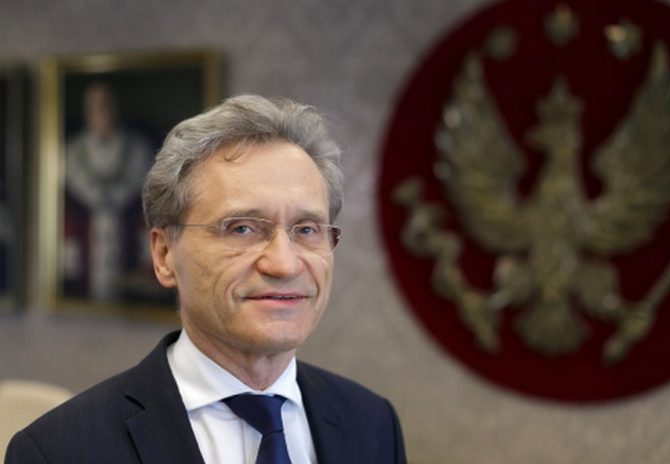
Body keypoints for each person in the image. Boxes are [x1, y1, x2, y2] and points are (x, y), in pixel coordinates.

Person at [5, 95, 407, 463]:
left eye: (306, 229)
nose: (284, 265)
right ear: (164, 255)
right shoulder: (58, 451)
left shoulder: (372, 423)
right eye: (242, 228)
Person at [62, 82, 152, 301]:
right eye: (95, 105)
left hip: (128, 245)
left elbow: (147, 206)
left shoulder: (138, 150)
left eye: (106, 104)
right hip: (84, 250)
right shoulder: (71, 153)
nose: (102, 111)